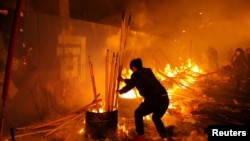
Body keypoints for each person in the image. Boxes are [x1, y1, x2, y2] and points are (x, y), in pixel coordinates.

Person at [117, 58, 172, 141]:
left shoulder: (136, 75)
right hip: (164, 99)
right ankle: (164, 135)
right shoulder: (148, 71)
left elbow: (132, 84)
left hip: (154, 100)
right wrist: (124, 80)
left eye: (132, 69)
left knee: (138, 113)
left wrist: (120, 91)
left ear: (134, 67)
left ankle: (140, 136)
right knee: (156, 117)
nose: (132, 71)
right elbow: (136, 81)